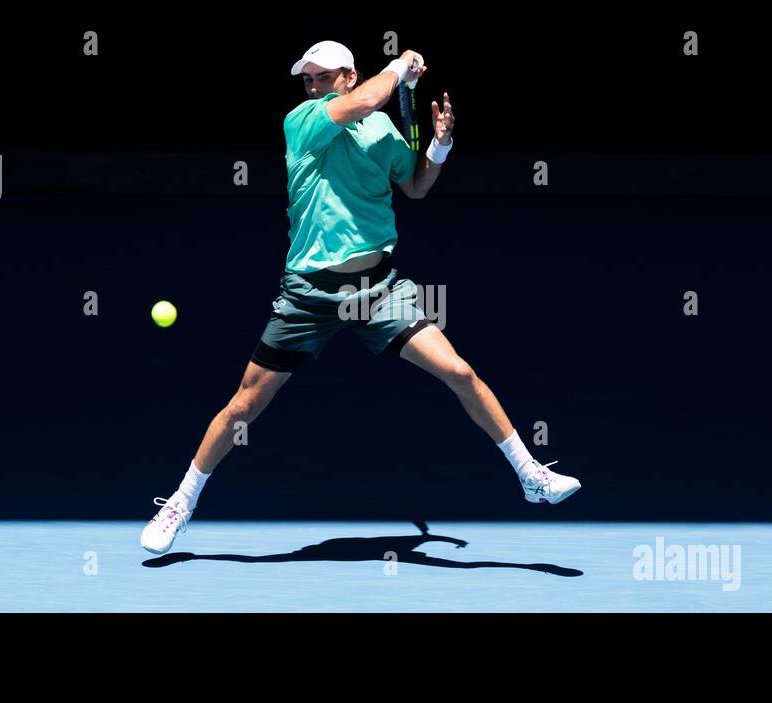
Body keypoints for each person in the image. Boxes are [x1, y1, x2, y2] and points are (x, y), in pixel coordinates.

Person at [141, 40, 580, 554]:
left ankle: (530, 475)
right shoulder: (303, 121)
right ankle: (181, 501)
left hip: (375, 290)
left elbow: (415, 186)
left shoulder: (380, 129)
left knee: (460, 372)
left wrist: (439, 147)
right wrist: (398, 69)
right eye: (307, 78)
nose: (312, 85)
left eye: (322, 76)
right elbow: (366, 102)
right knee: (244, 404)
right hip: (308, 294)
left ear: (348, 75)